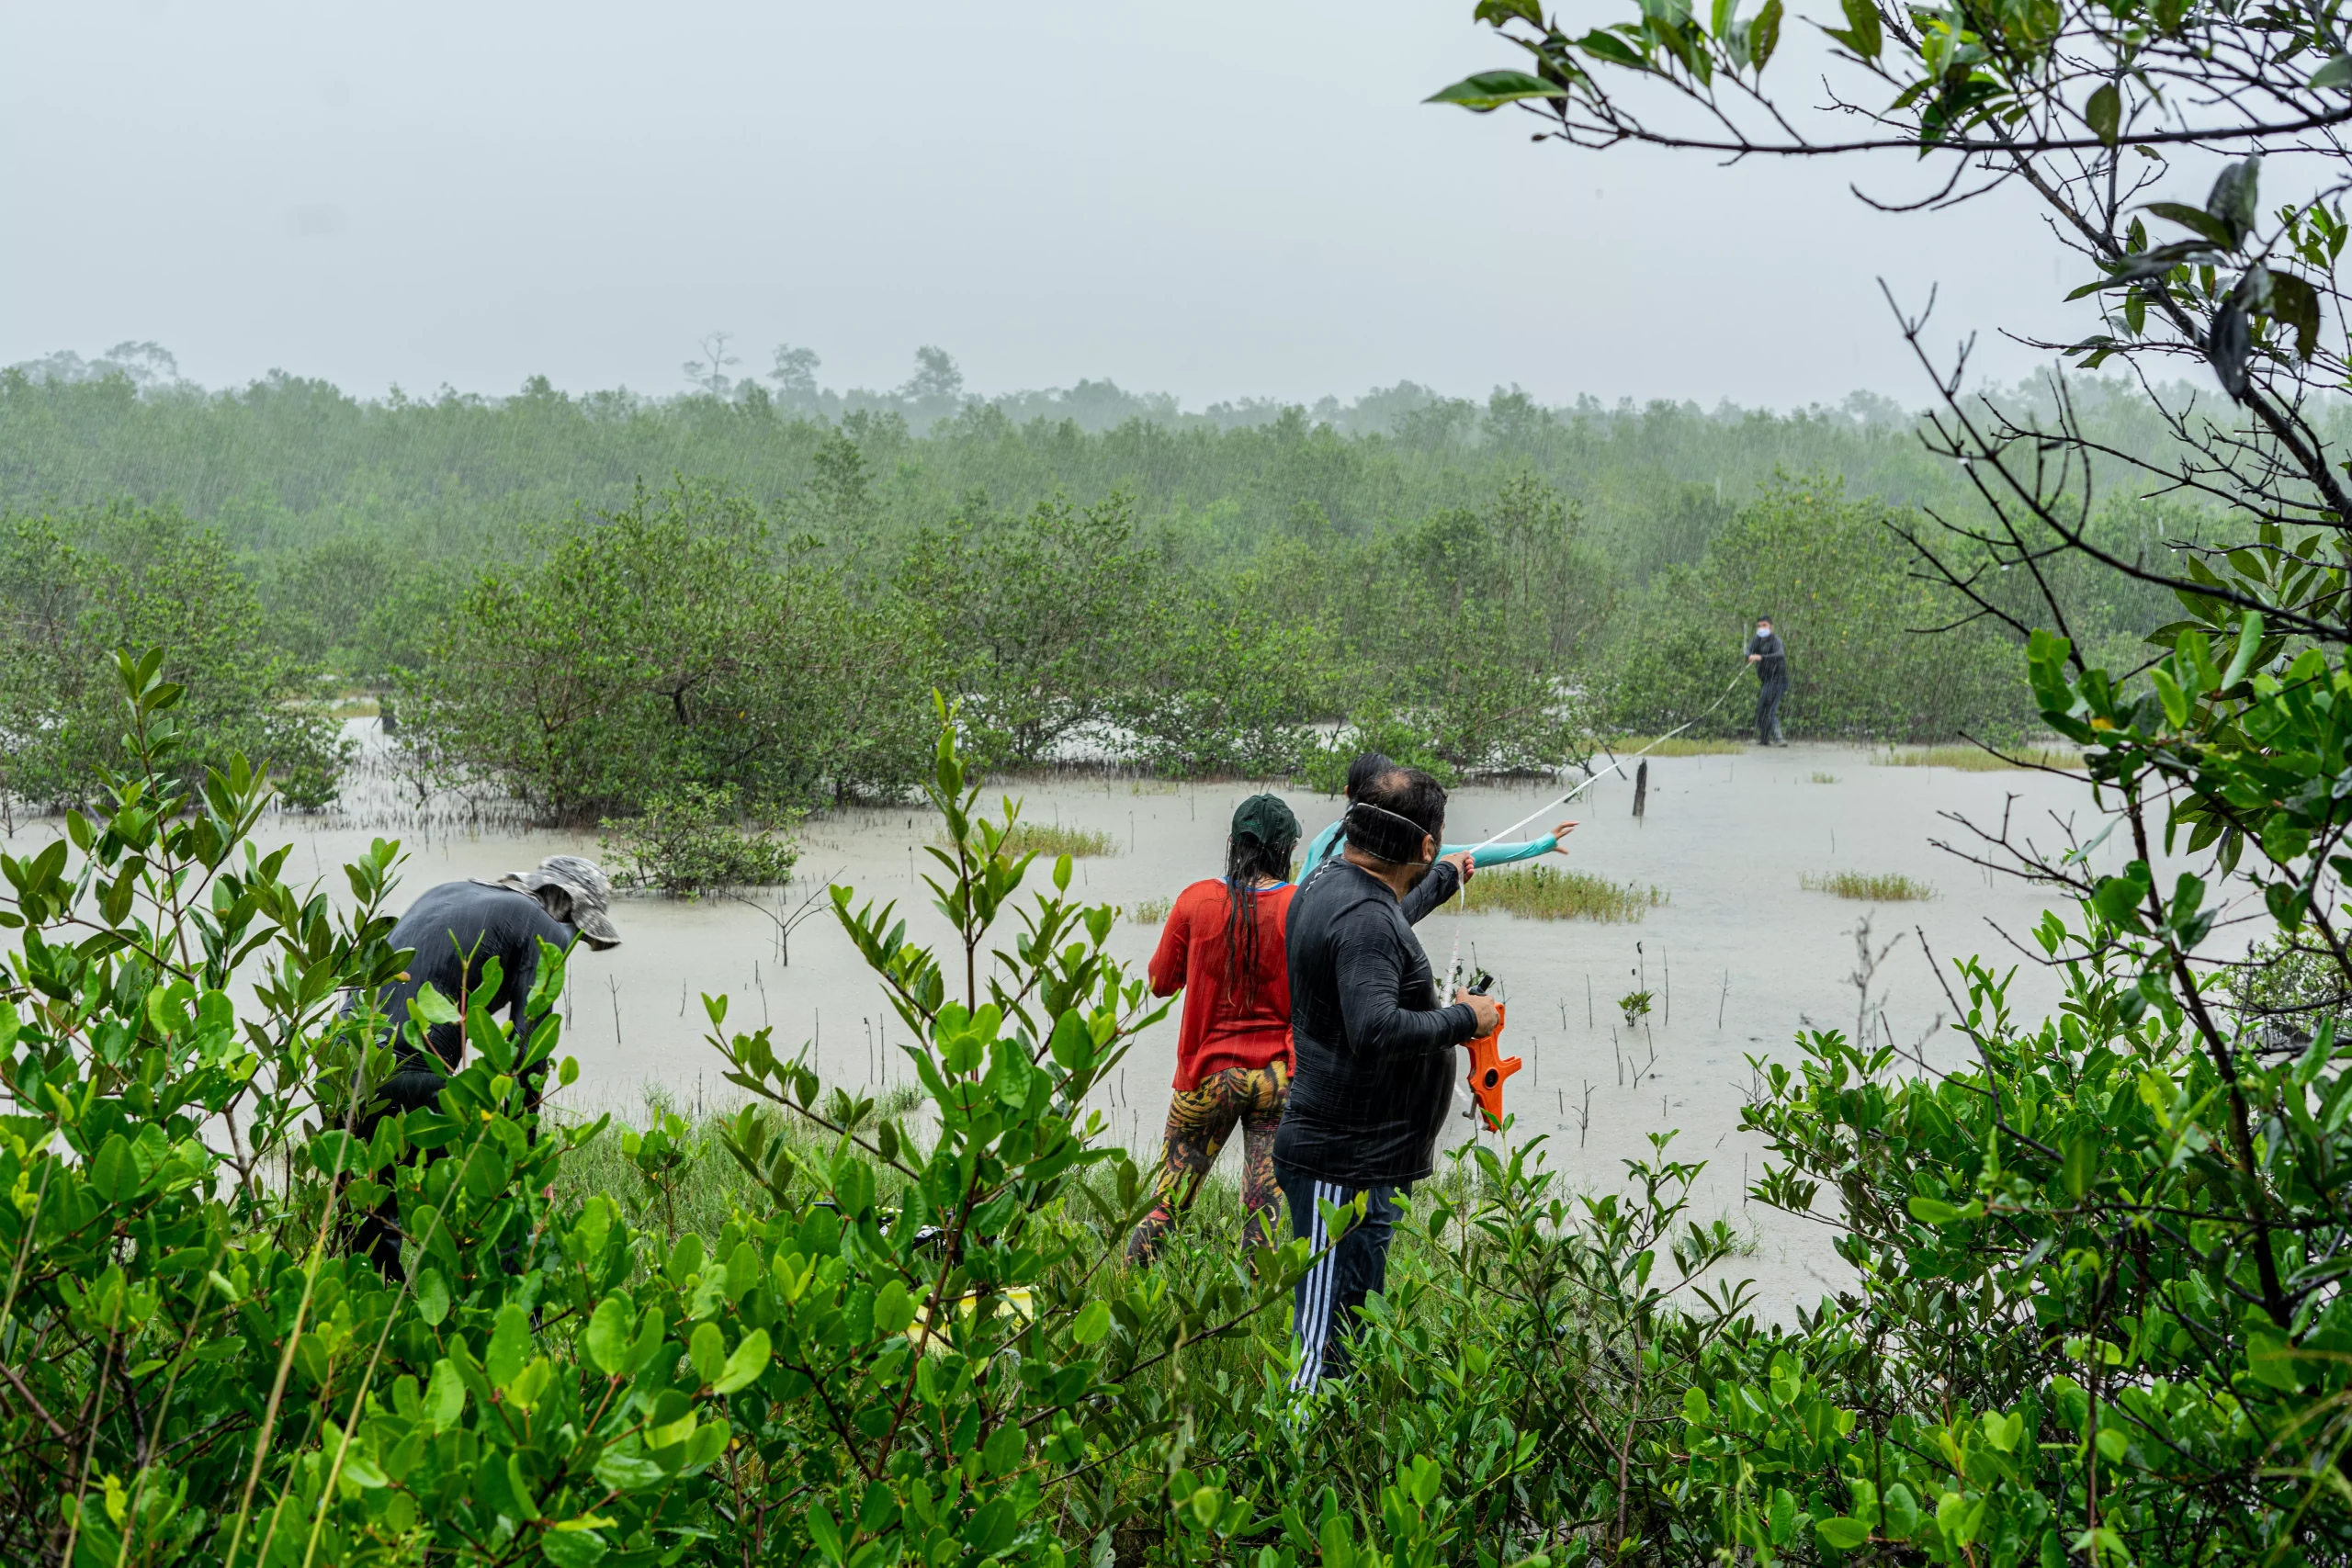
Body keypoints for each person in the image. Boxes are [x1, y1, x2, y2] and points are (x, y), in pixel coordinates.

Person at [1273, 768, 1501, 1393]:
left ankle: (1332, 1471)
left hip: (1361, 1161)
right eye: (1440, 848)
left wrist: (1447, 880)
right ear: (1425, 844)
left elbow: (1386, 915)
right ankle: (1292, 1471)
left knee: (1350, 1331)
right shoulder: (1366, 918)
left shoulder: (1331, 880)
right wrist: (1465, 1018)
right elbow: (1373, 1028)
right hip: (1335, 1165)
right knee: (1320, 1342)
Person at [342, 855, 622, 1278]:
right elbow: (526, 1058)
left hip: (344, 1056)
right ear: (565, 904)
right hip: (408, 1063)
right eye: (577, 933)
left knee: (370, 1206)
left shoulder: (450, 892)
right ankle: (516, 1316)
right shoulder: (544, 928)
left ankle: (368, 1307)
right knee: (496, 1190)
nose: (570, 945)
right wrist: (524, 1159)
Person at [1125, 795, 1305, 1262]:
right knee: (1264, 1203)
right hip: (1278, 1078)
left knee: (1168, 1201)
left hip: (1208, 1076)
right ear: (1285, 850)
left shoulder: (1196, 901)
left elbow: (1161, 983)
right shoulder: (1299, 905)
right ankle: (1253, 1308)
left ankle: (1126, 1290)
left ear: (1233, 843)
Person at [1300, 751, 1574, 922]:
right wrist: (1540, 845)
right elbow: (1475, 852)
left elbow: (1296, 897)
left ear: (1348, 792)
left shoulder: (1325, 838)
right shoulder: (1403, 844)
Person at [1747, 615, 1789, 746]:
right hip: (1766, 681)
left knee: (1770, 710)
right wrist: (1749, 656)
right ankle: (1764, 739)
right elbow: (1748, 650)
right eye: (1759, 626)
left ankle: (1779, 738)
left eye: (1764, 625)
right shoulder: (1757, 640)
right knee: (1761, 710)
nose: (1761, 628)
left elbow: (1780, 654)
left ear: (1771, 626)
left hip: (1778, 680)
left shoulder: (1776, 640)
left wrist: (1761, 657)